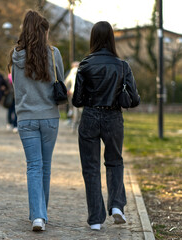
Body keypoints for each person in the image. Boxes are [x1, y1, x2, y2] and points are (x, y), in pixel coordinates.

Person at [72, 21, 140, 231]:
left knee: (90, 168)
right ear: (112, 38)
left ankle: (95, 219)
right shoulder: (122, 65)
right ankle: (117, 206)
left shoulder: (84, 65)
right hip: (113, 118)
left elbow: (76, 100)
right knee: (114, 162)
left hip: (90, 116)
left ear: (93, 38)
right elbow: (135, 99)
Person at [8, 10, 64, 232]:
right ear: (43, 31)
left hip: (26, 118)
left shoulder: (15, 55)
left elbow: (16, 87)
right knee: (45, 166)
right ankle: (41, 214)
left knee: (33, 166)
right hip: (49, 116)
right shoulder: (53, 53)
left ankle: (37, 215)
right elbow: (59, 78)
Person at [65, 61, 80, 132]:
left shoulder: (72, 71)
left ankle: (74, 126)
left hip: (73, 92)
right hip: (82, 93)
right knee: (81, 110)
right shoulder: (83, 70)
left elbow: (67, 81)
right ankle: (79, 124)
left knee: (75, 109)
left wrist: (66, 89)